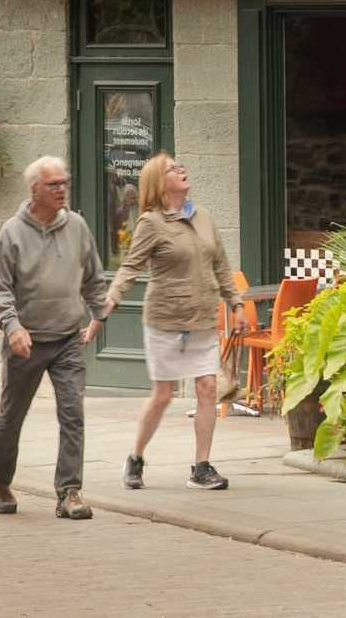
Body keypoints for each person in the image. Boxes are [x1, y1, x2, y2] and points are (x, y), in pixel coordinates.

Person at [86, 153, 245, 492]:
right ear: (159, 183)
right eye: (173, 169)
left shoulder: (203, 217)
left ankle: (201, 467)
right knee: (162, 395)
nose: (182, 169)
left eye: (180, 166)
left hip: (201, 318)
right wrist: (106, 305)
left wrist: (237, 303)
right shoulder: (151, 223)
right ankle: (136, 457)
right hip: (165, 320)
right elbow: (130, 267)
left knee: (207, 388)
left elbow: (221, 264)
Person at [0, 155, 108, 521]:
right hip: (26, 341)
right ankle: (0, 480)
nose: (61, 190)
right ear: (34, 189)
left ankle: (69, 492)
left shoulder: (77, 227)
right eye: (53, 184)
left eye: (64, 183)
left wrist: (99, 312)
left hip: (68, 337)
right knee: (12, 415)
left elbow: (92, 276)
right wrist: (13, 327)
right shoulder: (11, 232)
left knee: (73, 414)